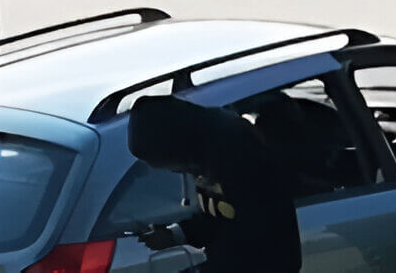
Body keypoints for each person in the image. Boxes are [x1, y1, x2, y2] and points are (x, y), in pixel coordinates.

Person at [127, 95, 302, 273]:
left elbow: (253, 234)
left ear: (173, 146)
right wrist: (176, 235)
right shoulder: (206, 150)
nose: (172, 171)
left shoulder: (236, 154)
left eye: (163, 161)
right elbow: (220, 215)